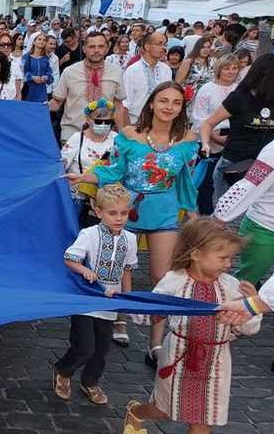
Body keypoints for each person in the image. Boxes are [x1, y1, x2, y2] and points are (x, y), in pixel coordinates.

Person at [69, 82, 199, 369]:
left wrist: (193, 215)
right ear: (151, 103)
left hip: (164, 213)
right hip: (127, 210)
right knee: (118, 268)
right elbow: (115, 170)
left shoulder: (188, 140)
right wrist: (84, 178)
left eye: (176, 103)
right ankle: (119, 318)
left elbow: (185, 181)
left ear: (181, 108)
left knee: (161, 278)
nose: (168, 107)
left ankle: (155, 341)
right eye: (163, 100)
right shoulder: (129, 135)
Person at [121, 218, 261, 434]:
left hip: (216, 362)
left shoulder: (231, 286)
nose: (228, 264)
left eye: (231, 258)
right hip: (178, 357)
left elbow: (250, 329)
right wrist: (132, 303)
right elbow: (145, 316)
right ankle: (136, 411)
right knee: (164, 409)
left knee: (204, 421)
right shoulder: (174, 281)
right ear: (195, 254)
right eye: (222, 257)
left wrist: (252, 307)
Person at [53, 184, 137, 406]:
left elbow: (127, 269)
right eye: (112, 213)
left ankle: (90, 381)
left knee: (101, 349)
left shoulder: (130, 239)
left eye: (123, 213)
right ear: (98, 211)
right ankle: (63, 369)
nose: (119, 218)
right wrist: (84, 269)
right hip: (87, 298)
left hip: (109, 302)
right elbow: (69, 258)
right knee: (84, 346)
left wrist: (128, 299)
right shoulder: (88, 234)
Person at [214, 130, 274, 371]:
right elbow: (251, 183)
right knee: (242, 285)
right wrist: (219, 217)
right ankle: (222, 328)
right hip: (265, 228)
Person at [200, 54, 274, 204]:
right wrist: (207, 143)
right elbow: (207, 123)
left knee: (251, 213)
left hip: (263, 166)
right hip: (233, 166)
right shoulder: (239, 98)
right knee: (226, 215)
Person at [49, 32, 127, 141]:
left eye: (100, 46)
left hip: (104, 138)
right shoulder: (70, 72)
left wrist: (123, 136)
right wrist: (34, 109)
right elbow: (57, 102)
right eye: (91, 47)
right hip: (72, 136)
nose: (96, 50)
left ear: (107, 48)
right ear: (84, 49)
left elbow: (118, 106)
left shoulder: (116, 72)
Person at [190, 54, 239, 214]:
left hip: (233, 139)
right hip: (209, 139)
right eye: (227, 68)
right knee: (207, 181)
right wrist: (212, 137)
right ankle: (205, 213)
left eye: (234, 68)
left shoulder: (239, 89)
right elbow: (199, 116)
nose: (231, 72)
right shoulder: (207, 89)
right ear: (219, 69)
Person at [60, 98, 118, 224]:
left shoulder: (117, 139)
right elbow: (62, 164)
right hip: (77, 198)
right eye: (98, 121)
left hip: (106, 199)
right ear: (88, 119)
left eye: (107, 121)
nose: (103, 124)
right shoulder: (77, 138)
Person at [121, 32, 172, 126]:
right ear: (147, 46)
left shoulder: (166, 70)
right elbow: (125, 104)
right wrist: (128, 130)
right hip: (135, 122)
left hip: (158, 124)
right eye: (159, 44)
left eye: (165, 45)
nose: (163, 48)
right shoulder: (133, 70)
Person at [21, 33, 54, 103]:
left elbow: (51, 76)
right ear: (34, 42)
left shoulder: (46, 58)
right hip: (29, 92)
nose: (42, 41)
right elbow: (21, 74)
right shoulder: (26, 57)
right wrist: (32, 77)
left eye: (44, 40)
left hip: (42, 92)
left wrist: (46, 77)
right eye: (39, 39)